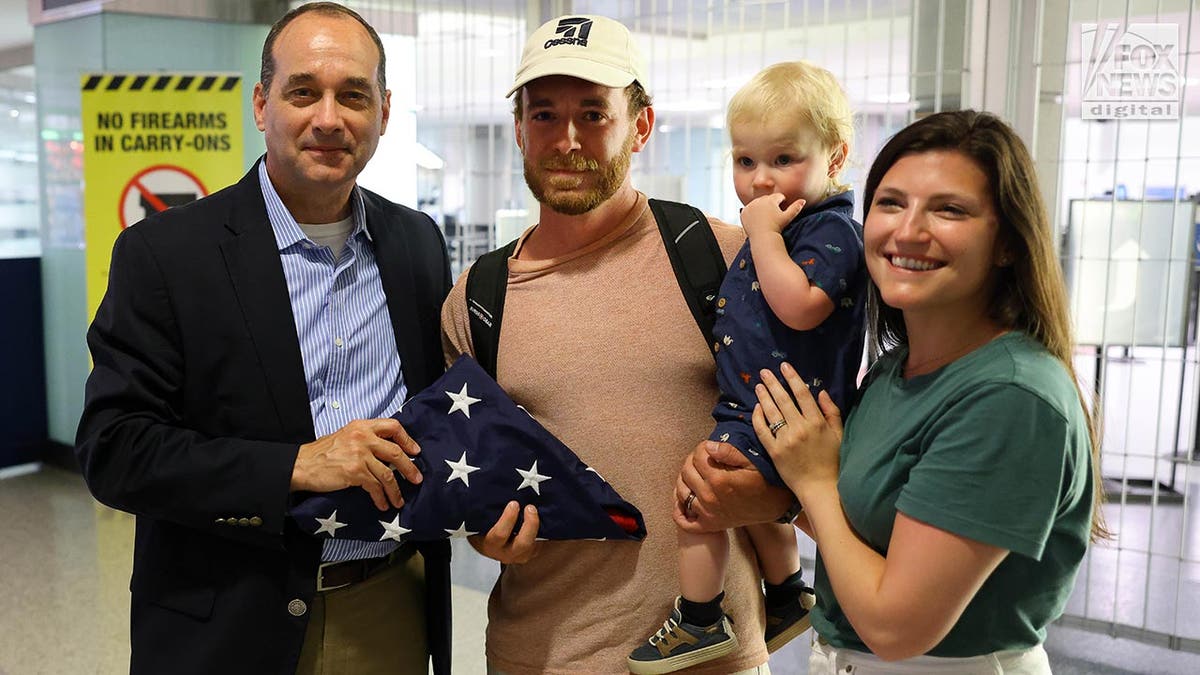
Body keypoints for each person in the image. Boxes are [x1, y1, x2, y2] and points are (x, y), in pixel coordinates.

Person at [74, 4, 452, 674]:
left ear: (385, 113)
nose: (329, 119)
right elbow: (115, 448)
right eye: (303, 91)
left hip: (390, 607)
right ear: (261, 103)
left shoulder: (417, 244)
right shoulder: (166, 255)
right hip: (230, 624)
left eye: (354, 96)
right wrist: (297, 466)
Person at [441, 14, 793, 675]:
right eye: (543, 114)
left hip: (713, 662)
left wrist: (777, 498)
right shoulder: (479, 298)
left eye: (593, 114)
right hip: (537, 656)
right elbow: (471, 483)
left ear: (641, 125)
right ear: (519, 128)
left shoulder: (721, 259)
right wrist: (486, 532)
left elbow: (813, 428)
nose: (566, 140)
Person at [752, 110, 1107, 674]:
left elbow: (897, 627)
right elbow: (872, 530)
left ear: (1008, 243)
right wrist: (768, 496)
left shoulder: (1010, 397)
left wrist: (812, 481)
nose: (908, 230)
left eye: (949, 210)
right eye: (890, 203)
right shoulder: (897, 370)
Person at [629, 61, 866, 674]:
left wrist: (760, 236)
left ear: (834, 157)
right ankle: (787, 593)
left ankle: (701, 619)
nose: (761, 181)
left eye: (784, 159)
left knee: (697, 499)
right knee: (749, 503)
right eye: (745, 162)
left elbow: (801, 304)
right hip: (754, 402)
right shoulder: (790, 224)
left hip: (785, 406)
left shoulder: (831, 229)